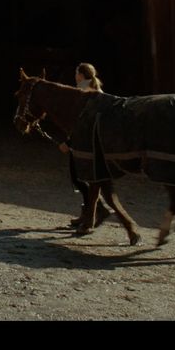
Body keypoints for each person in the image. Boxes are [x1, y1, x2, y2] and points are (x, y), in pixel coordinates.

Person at [60, 62, 109, 227]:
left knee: (80, 178)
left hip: (85, 144)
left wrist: (69, 142)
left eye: (76, 72)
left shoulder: (84, 92)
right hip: (86, 142)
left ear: (81, 74)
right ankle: (89, 212)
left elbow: (82, 122)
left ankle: (97, 210)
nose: (75, 75)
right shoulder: (90, 89)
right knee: (80, 178)